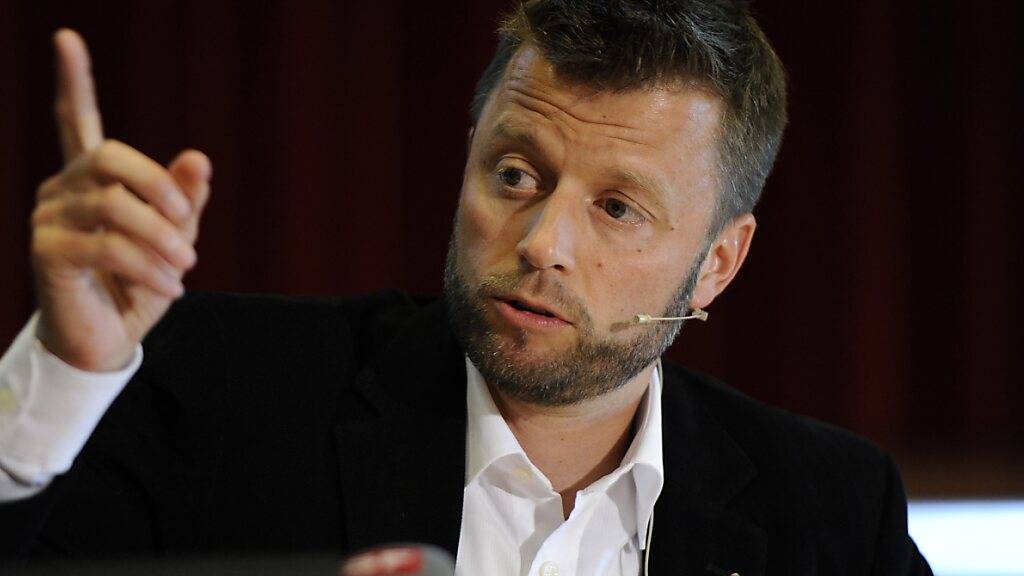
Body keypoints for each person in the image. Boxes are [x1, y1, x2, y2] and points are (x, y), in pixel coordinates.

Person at [0, 1, 932, 574]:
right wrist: (67, 371)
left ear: (719, 263)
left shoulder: (833, 514)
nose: (542, 242)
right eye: (516, 174)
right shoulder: (227, 392)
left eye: (617, 208)